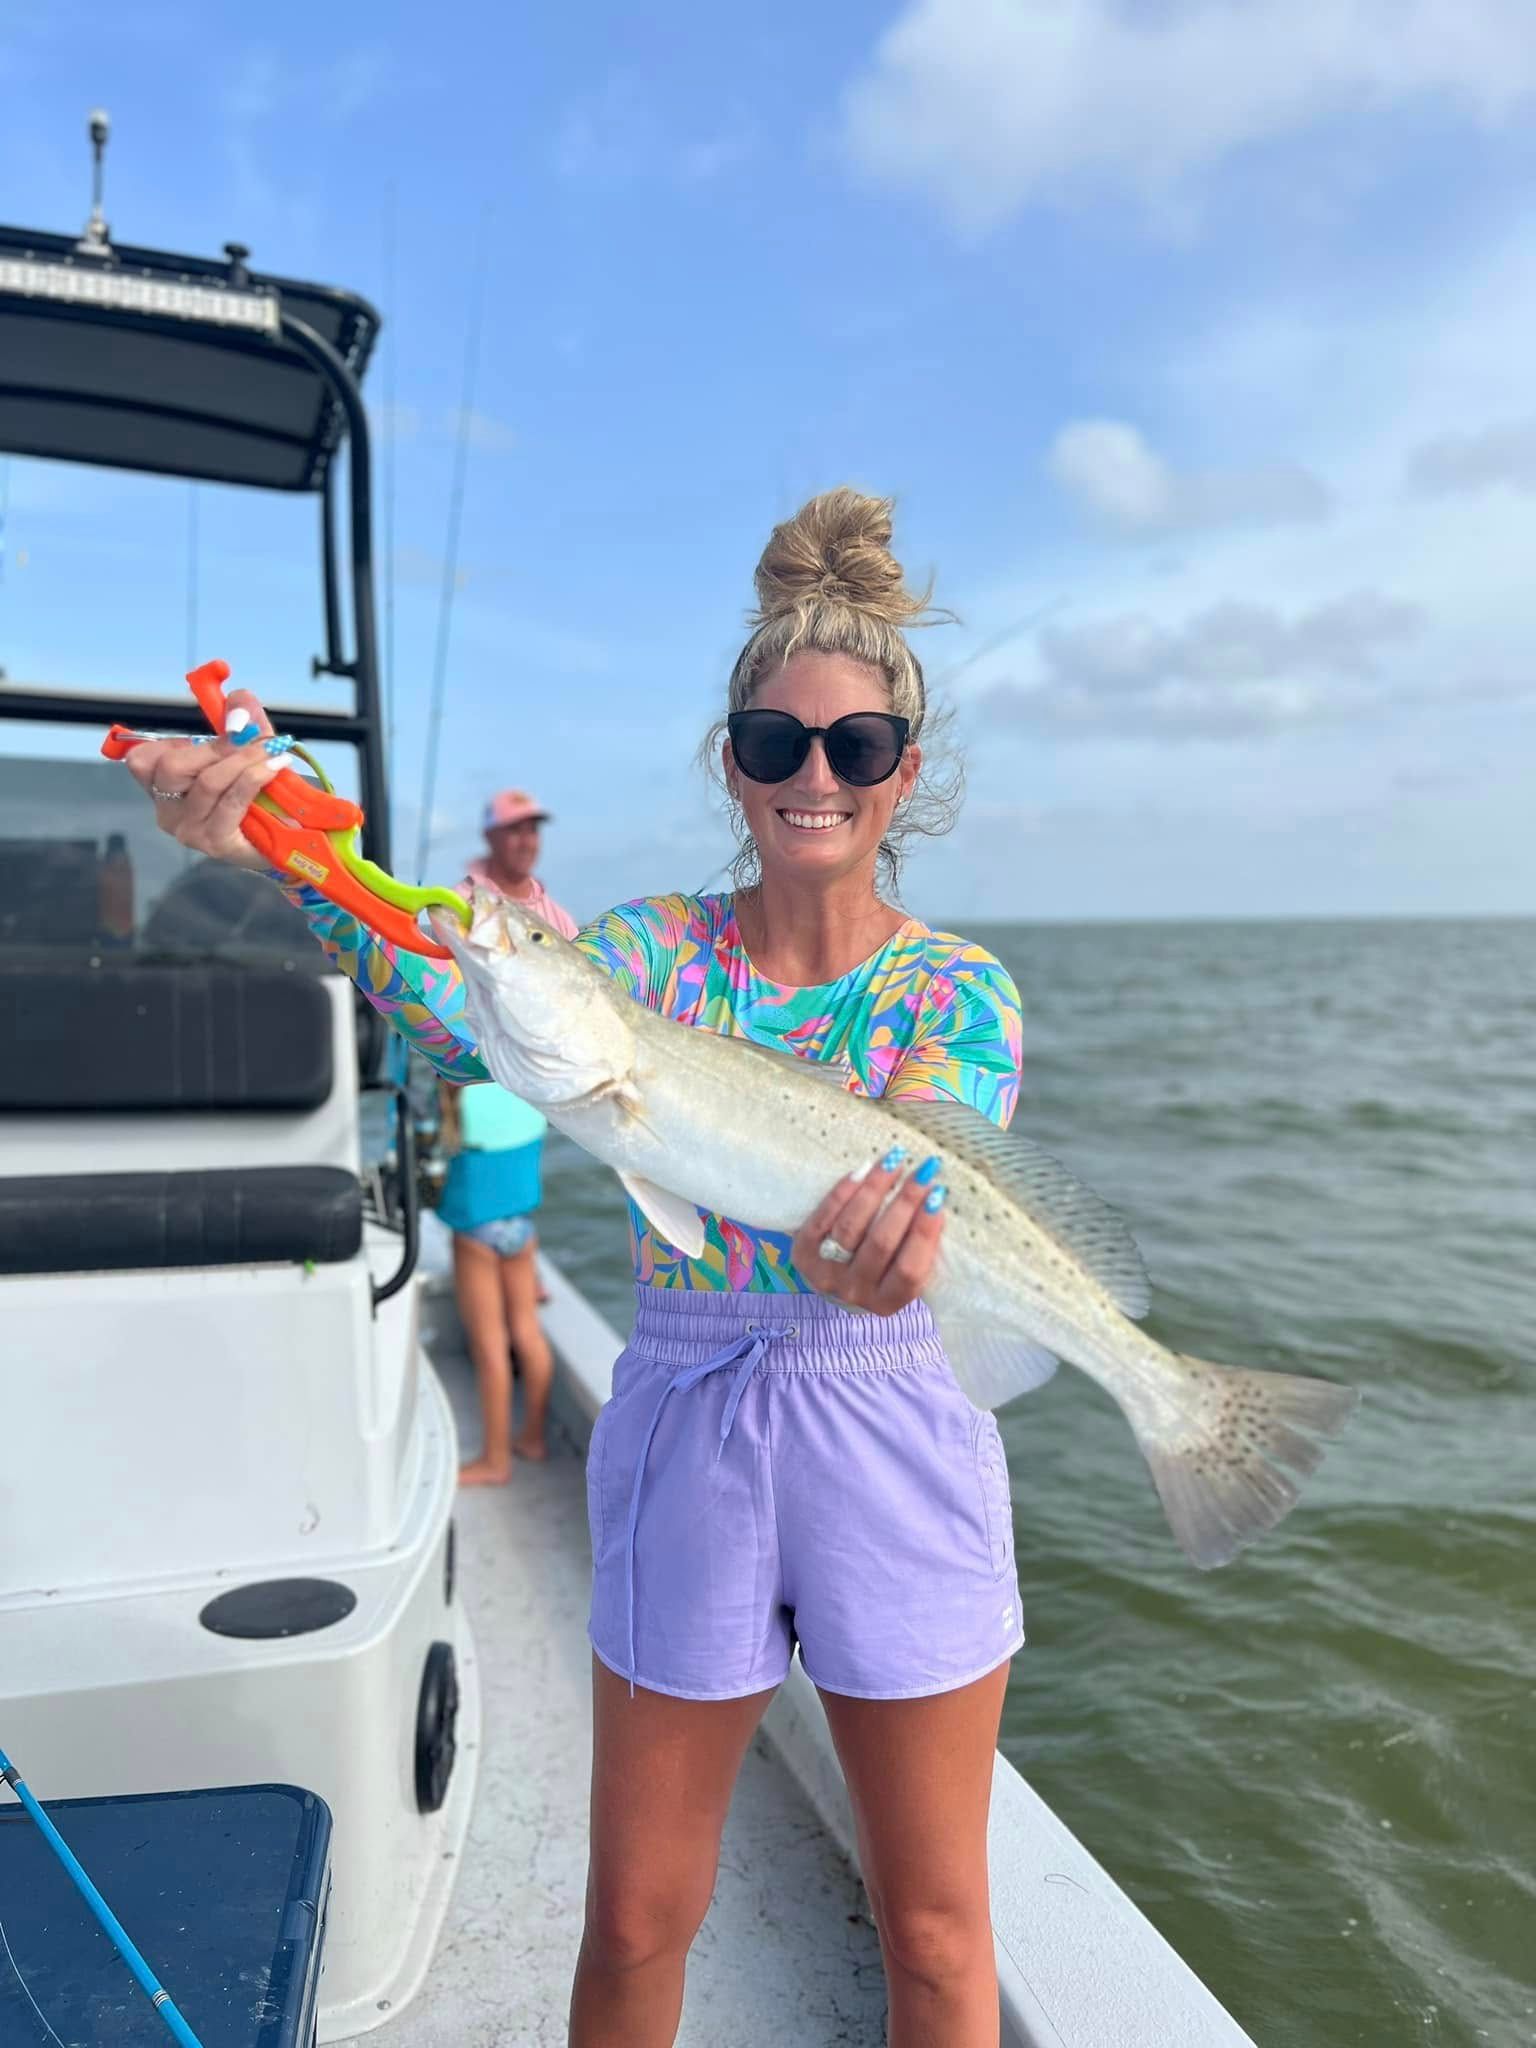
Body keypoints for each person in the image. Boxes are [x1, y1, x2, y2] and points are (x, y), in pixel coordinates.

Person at [124, 488, 1025, 2048]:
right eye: (775, 745)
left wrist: (897, 1267)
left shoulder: (961, 990)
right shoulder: (649, 957)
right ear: (730, 762)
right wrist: (285, 852)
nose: (815, 778)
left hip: (893, 1422)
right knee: (631, 1920)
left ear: (905, 774)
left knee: (941, 1942)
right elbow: (451, 989)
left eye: (857, 749)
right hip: (688, 1422)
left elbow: (934, 1209)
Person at [435, 793, 576, 1482]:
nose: (525, 840)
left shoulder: (553, 920)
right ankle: (531, 1439)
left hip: (493, 1164)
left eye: (531, 830)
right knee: (524, 1319)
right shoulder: (470, 904)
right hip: (516, 1171)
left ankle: (497, 1457)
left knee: (494, 1336)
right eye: (513, 830)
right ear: (493, 836)